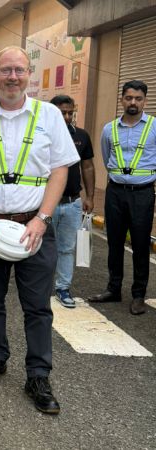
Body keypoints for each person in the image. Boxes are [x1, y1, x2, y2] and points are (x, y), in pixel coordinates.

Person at [0, 46, 79, 415]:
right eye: (5, 70)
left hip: (34, 226)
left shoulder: (48, 115)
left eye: (19, 70)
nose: (12, 77)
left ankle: (38, 374)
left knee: (37, 306)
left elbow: (60, 169)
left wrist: (42, 219)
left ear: (28, 73)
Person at [88, 80, 156, 315]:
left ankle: (138, 295)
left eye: (138, 98)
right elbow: (107, 158)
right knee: (114, 242)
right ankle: (113, 288)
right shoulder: (109, 129)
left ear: (144, 101)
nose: (133, 102)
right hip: (115, 192)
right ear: (122, 100)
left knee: (140, 244)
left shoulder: (154, 127)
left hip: (143, 193)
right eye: (129, 98)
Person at [49, 95, 95, 308]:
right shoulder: (42, 135)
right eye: (61, 112)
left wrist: (90, 196)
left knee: (66, 248)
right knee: (39, 247)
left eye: (70, 112)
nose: (67, 116)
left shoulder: (82, 136)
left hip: (72, 203)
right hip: (45, 204)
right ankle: (37, 286)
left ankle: (63, 287)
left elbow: (87, 166)